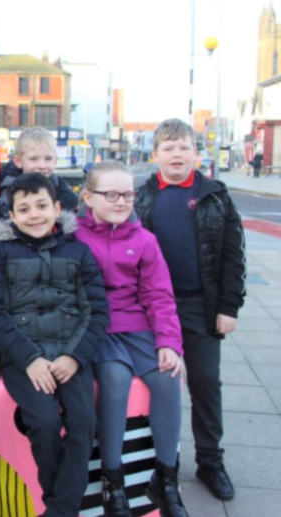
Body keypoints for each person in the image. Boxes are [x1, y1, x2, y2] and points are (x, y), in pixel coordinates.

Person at [0, 173, 108, 517]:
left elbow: (95, 310)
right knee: (46, 422)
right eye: (24, 209)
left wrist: (75, 356)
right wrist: (29, 359)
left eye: (41, 206)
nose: (34, 215)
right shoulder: (0, 254)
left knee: (83, 422)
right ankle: (64, 508)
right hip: (24, 357)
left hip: (70, 353)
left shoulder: (78, 251)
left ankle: (58, 510)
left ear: (57, 207)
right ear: (12, 216)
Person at [135, 119, 246, 502]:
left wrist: (228, 306)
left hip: (200, 305)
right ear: (155, 156)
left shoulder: (216, 195)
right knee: (157, 387)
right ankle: (159, 462)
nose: (177, 154)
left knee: (204, 384)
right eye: (168, 148)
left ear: (196, 153)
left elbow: (234, 256)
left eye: (183, 147)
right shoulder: (141, 196)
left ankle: (210, 460)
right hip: (149, 309)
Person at [75, 161, 188, 517]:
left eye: (128, 194)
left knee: (169, 377)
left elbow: (159, 296)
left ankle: (166, 479)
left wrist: (170, 342)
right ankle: (113, 480)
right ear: (88, 197)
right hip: (97, 326)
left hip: (137, 325)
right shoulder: (73, 237)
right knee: (114, 377)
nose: (122, 201)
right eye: (111, 194)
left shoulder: (144, 240)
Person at [0, 127, 79, 220]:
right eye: (33, 159)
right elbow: (1, 226)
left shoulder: (61, 190)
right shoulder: (9, 193)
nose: (42, 165)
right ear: (18, 161)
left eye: (48, 159)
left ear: (55, 160)